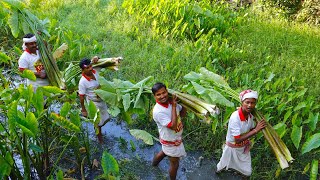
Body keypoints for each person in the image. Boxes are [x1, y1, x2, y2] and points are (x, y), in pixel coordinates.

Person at [216, 89, 267, 177]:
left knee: (247, 172)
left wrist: (257, 125)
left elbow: (250, 129)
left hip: (243, 148)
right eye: (247, 102)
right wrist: (256, 130)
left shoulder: (250, 116)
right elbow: (237, 139)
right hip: (232, 148)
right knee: (221, 167)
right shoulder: (235, 117)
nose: (250, 105)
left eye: (253, 103)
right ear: (242, 102)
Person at [151, 82, 187, 180]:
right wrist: (174, 106)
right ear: (154, 96)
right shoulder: (158, 111)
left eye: (164, 92)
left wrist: (184, 101)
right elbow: (173, 126)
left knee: (164, 152)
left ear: (167, 91)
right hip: (170, 139)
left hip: (173, 137)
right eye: (158, 94)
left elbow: (183, 114)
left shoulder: (170, 103)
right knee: (175, 164)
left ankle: (153, 165)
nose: (162, 96)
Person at [78, 57, 110, 144]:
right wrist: (84, 110)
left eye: (91, 66)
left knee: (105, 118)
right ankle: (100, 140)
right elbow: (81, 97)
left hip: (101, 100)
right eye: (87, 68)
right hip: (93, 103)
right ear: (82, 70)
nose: (90, 69)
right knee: (97, 122)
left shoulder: (95, 70)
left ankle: (99, 133)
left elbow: (101, 62)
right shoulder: (82, 82)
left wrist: (97, 58)